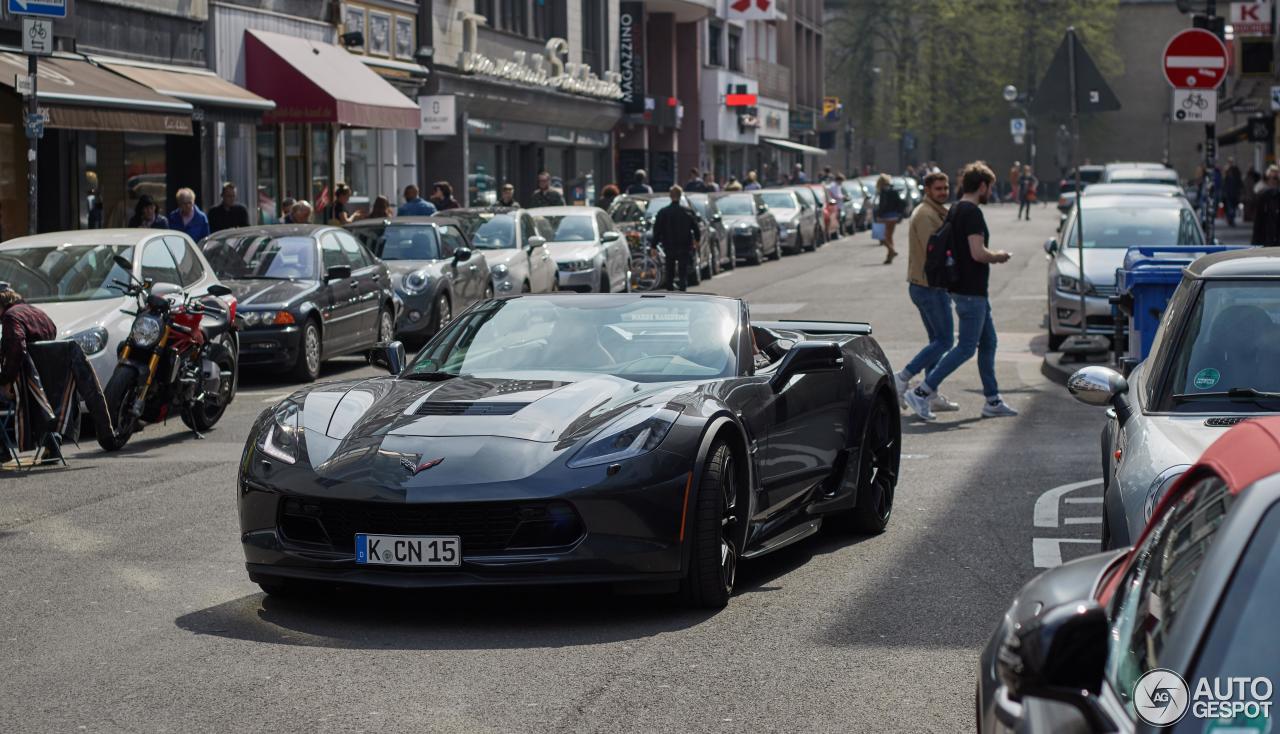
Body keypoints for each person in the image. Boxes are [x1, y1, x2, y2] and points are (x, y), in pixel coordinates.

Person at [904, 162, 1017, 421]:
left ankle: (992, 399)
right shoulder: (971, 213)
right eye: (990, 187)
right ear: (982, 186)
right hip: (971, 291)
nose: (991, 191)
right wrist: (999, 256)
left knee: (988, 343)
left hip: (966, 290)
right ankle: (922, 391)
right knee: (965, 347)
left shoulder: (955, 209)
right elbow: (977, 253)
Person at [894, 172, 959, 413]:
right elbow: (937, 254)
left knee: (937, 342)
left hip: (927, 286)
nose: (943, 192)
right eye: (938, 189)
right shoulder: (926, 215)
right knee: (944, 341)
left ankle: (930, 393)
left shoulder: (935, 212)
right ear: (927, 190)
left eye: (945, 187)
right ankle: (903, 377)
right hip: (929, 287)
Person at [652, 185, 700, 291]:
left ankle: (670, 288)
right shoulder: (687, 211)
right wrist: (697, 240)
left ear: (670, 196)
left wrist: (653, 246)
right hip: (684, 245)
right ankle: (683, 287)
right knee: (683, 269)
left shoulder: (663, 212)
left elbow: (657, 230)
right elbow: (696, 228)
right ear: (680, 196)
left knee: (670, 268)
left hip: (669, 244)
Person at [874, 174, 904, 264]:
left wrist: (879, 214)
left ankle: (892, 250)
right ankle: (889, 257)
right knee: (889, 237)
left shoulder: (883, 191)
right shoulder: (894, 189)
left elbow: (882, 204)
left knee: (880, 236)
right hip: (894, 216)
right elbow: (899, 202)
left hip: (884, 216)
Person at [1251, 165, 1280, 246]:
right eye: (1271, 178)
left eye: (1275, 178)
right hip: (1271, 245)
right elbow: (1258, 223)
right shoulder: (1265, 195)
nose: (1273, 181)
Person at [1223, 158, 1243, 228]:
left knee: (1233, 207)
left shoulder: (1235, 170)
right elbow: (1224, 183)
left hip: (1234, 193)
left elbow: (1239, 181)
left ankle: (1231, 219)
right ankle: (1230, 219)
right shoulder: (1226, 171)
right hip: (1228, 193)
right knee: (1230, 208)